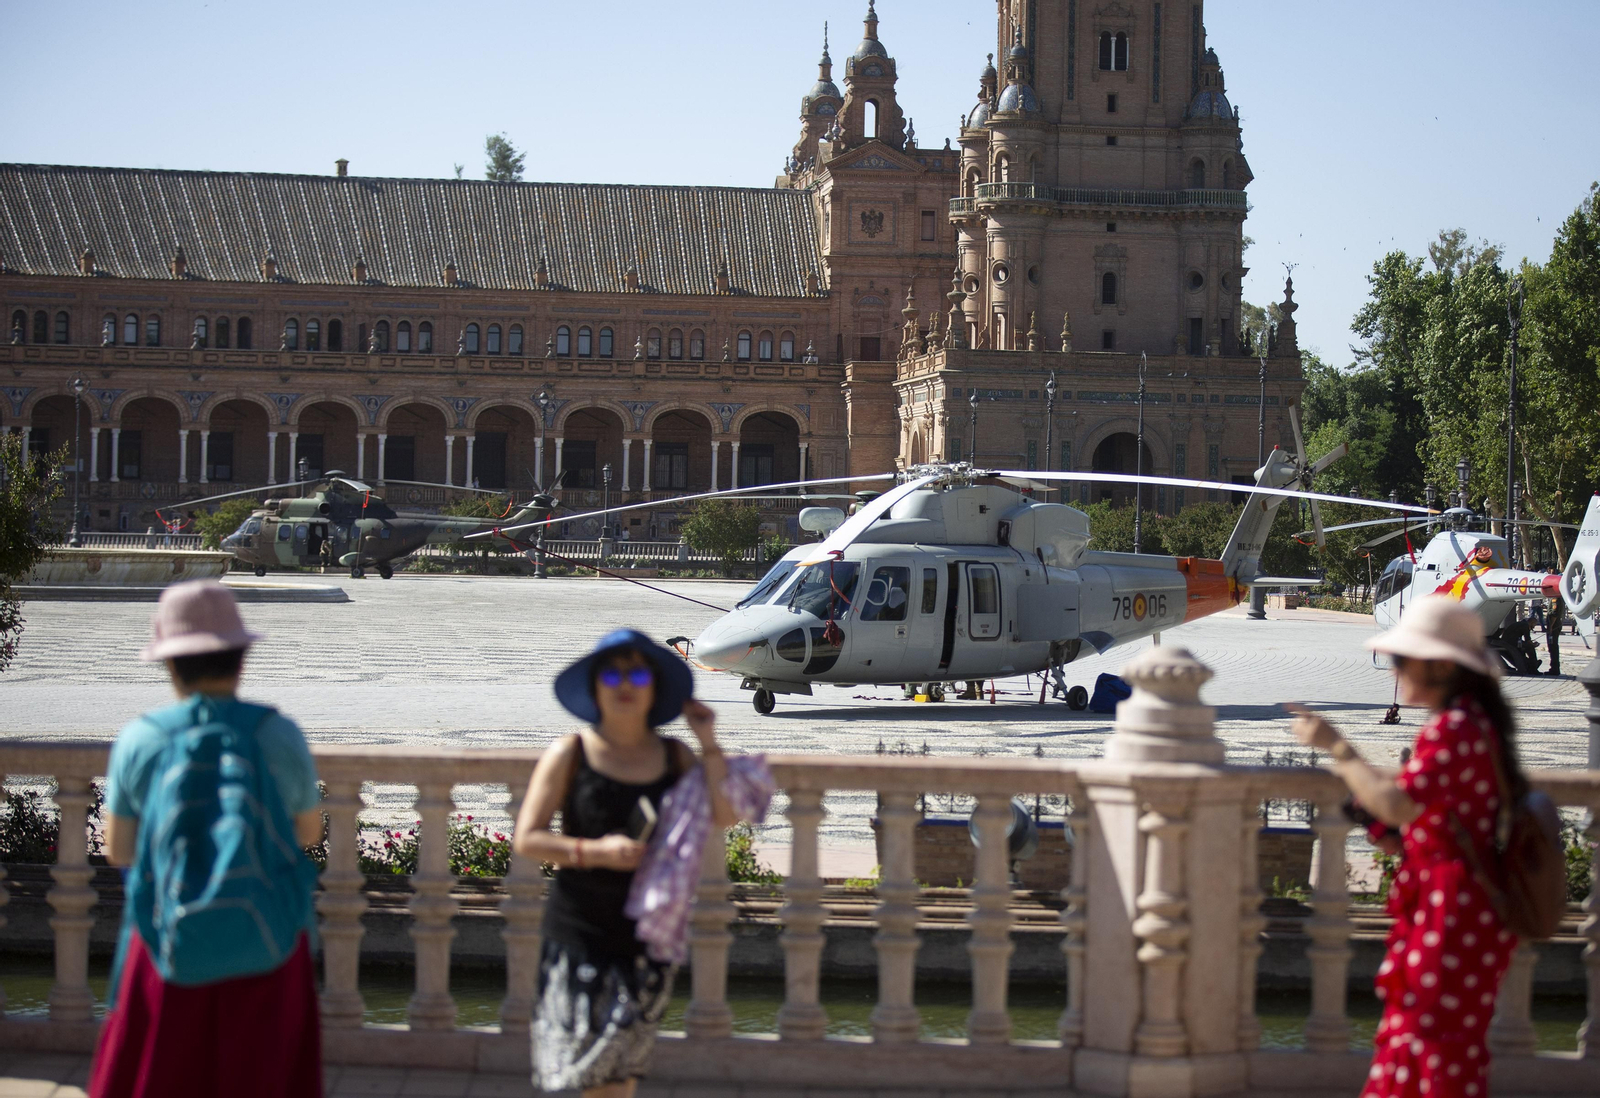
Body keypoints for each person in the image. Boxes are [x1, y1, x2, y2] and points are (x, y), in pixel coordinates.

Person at [91, 581, 325, 1098]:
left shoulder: (141, 737)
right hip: (269, 935)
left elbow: (119, 850)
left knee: (160, 1074)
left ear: (169, 664)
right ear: (240, 658)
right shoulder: (278, 733)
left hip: (165, 937)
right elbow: (308, 833)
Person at [1288, 595, 1522, 1098]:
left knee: (1432, 1043)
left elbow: (1397, 804)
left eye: (1400, 658)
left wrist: (1337, 747)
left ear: (1440, 664)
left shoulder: (1456, 727)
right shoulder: (1475, 724)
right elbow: (1420, 829)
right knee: (1427, 1040)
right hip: (1454, 906)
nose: (1393, 668)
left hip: (1453, 912)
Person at [513, 628, 735, 1098]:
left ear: (653, 684)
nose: (625, 683)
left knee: (622, 1079)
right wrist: (594, 852)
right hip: (580, 934)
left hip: (646, 939)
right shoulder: (569, 753)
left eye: (637, 671)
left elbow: (724, 813)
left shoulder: (674, 756)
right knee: (583, 1077)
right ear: (596, 686)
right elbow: (527, 839)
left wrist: (708, 740)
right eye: (612, 673)